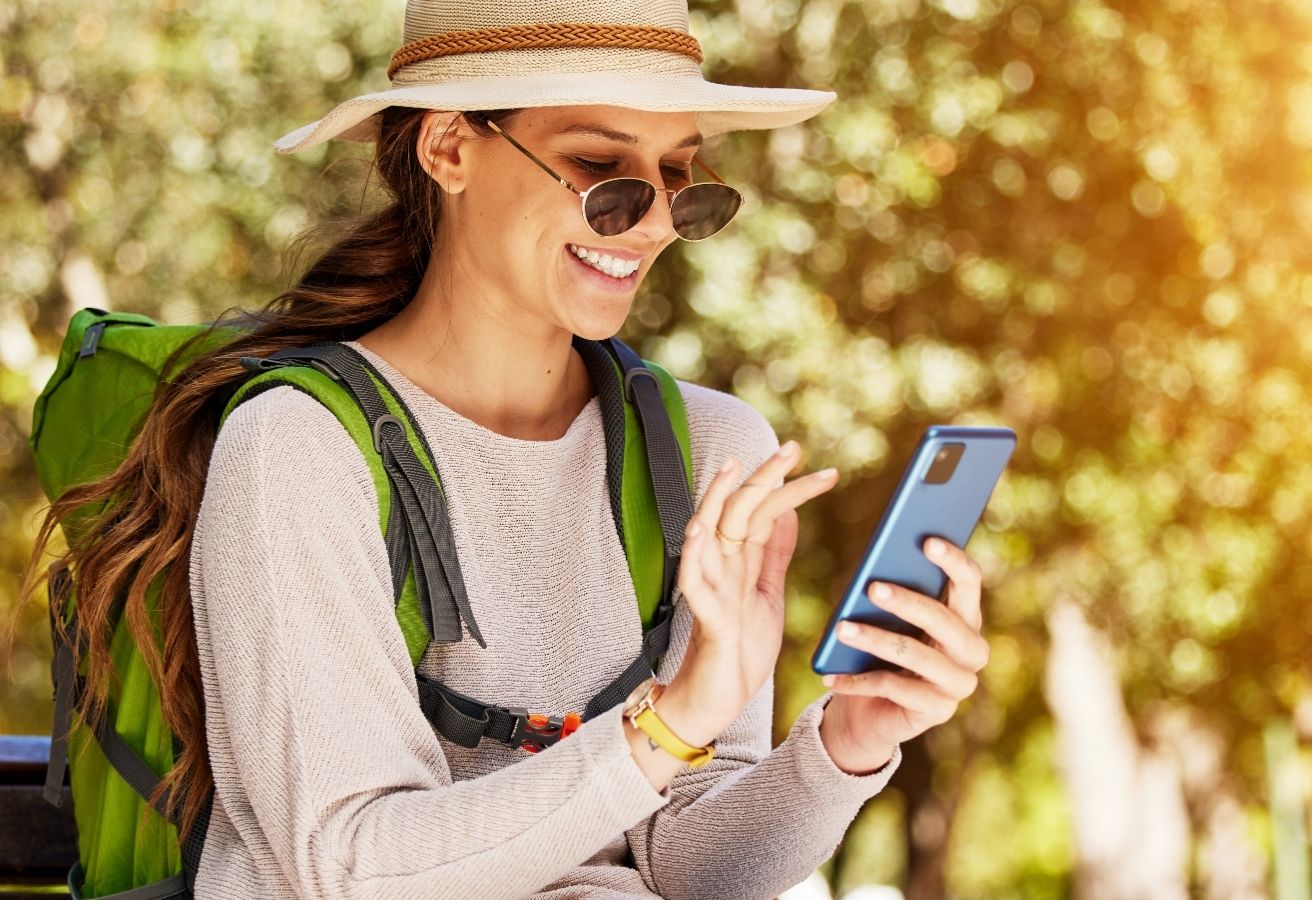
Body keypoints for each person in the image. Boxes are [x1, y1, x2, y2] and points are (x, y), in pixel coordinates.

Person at [40, 1, 994, 896]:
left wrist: (850, 744)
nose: (657, 222)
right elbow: (351, 864)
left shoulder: (706, 448)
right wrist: (669, 723)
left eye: (678, 177)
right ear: (449, 145)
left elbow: (692, 865)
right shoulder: (300, 446)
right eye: (605, 172)